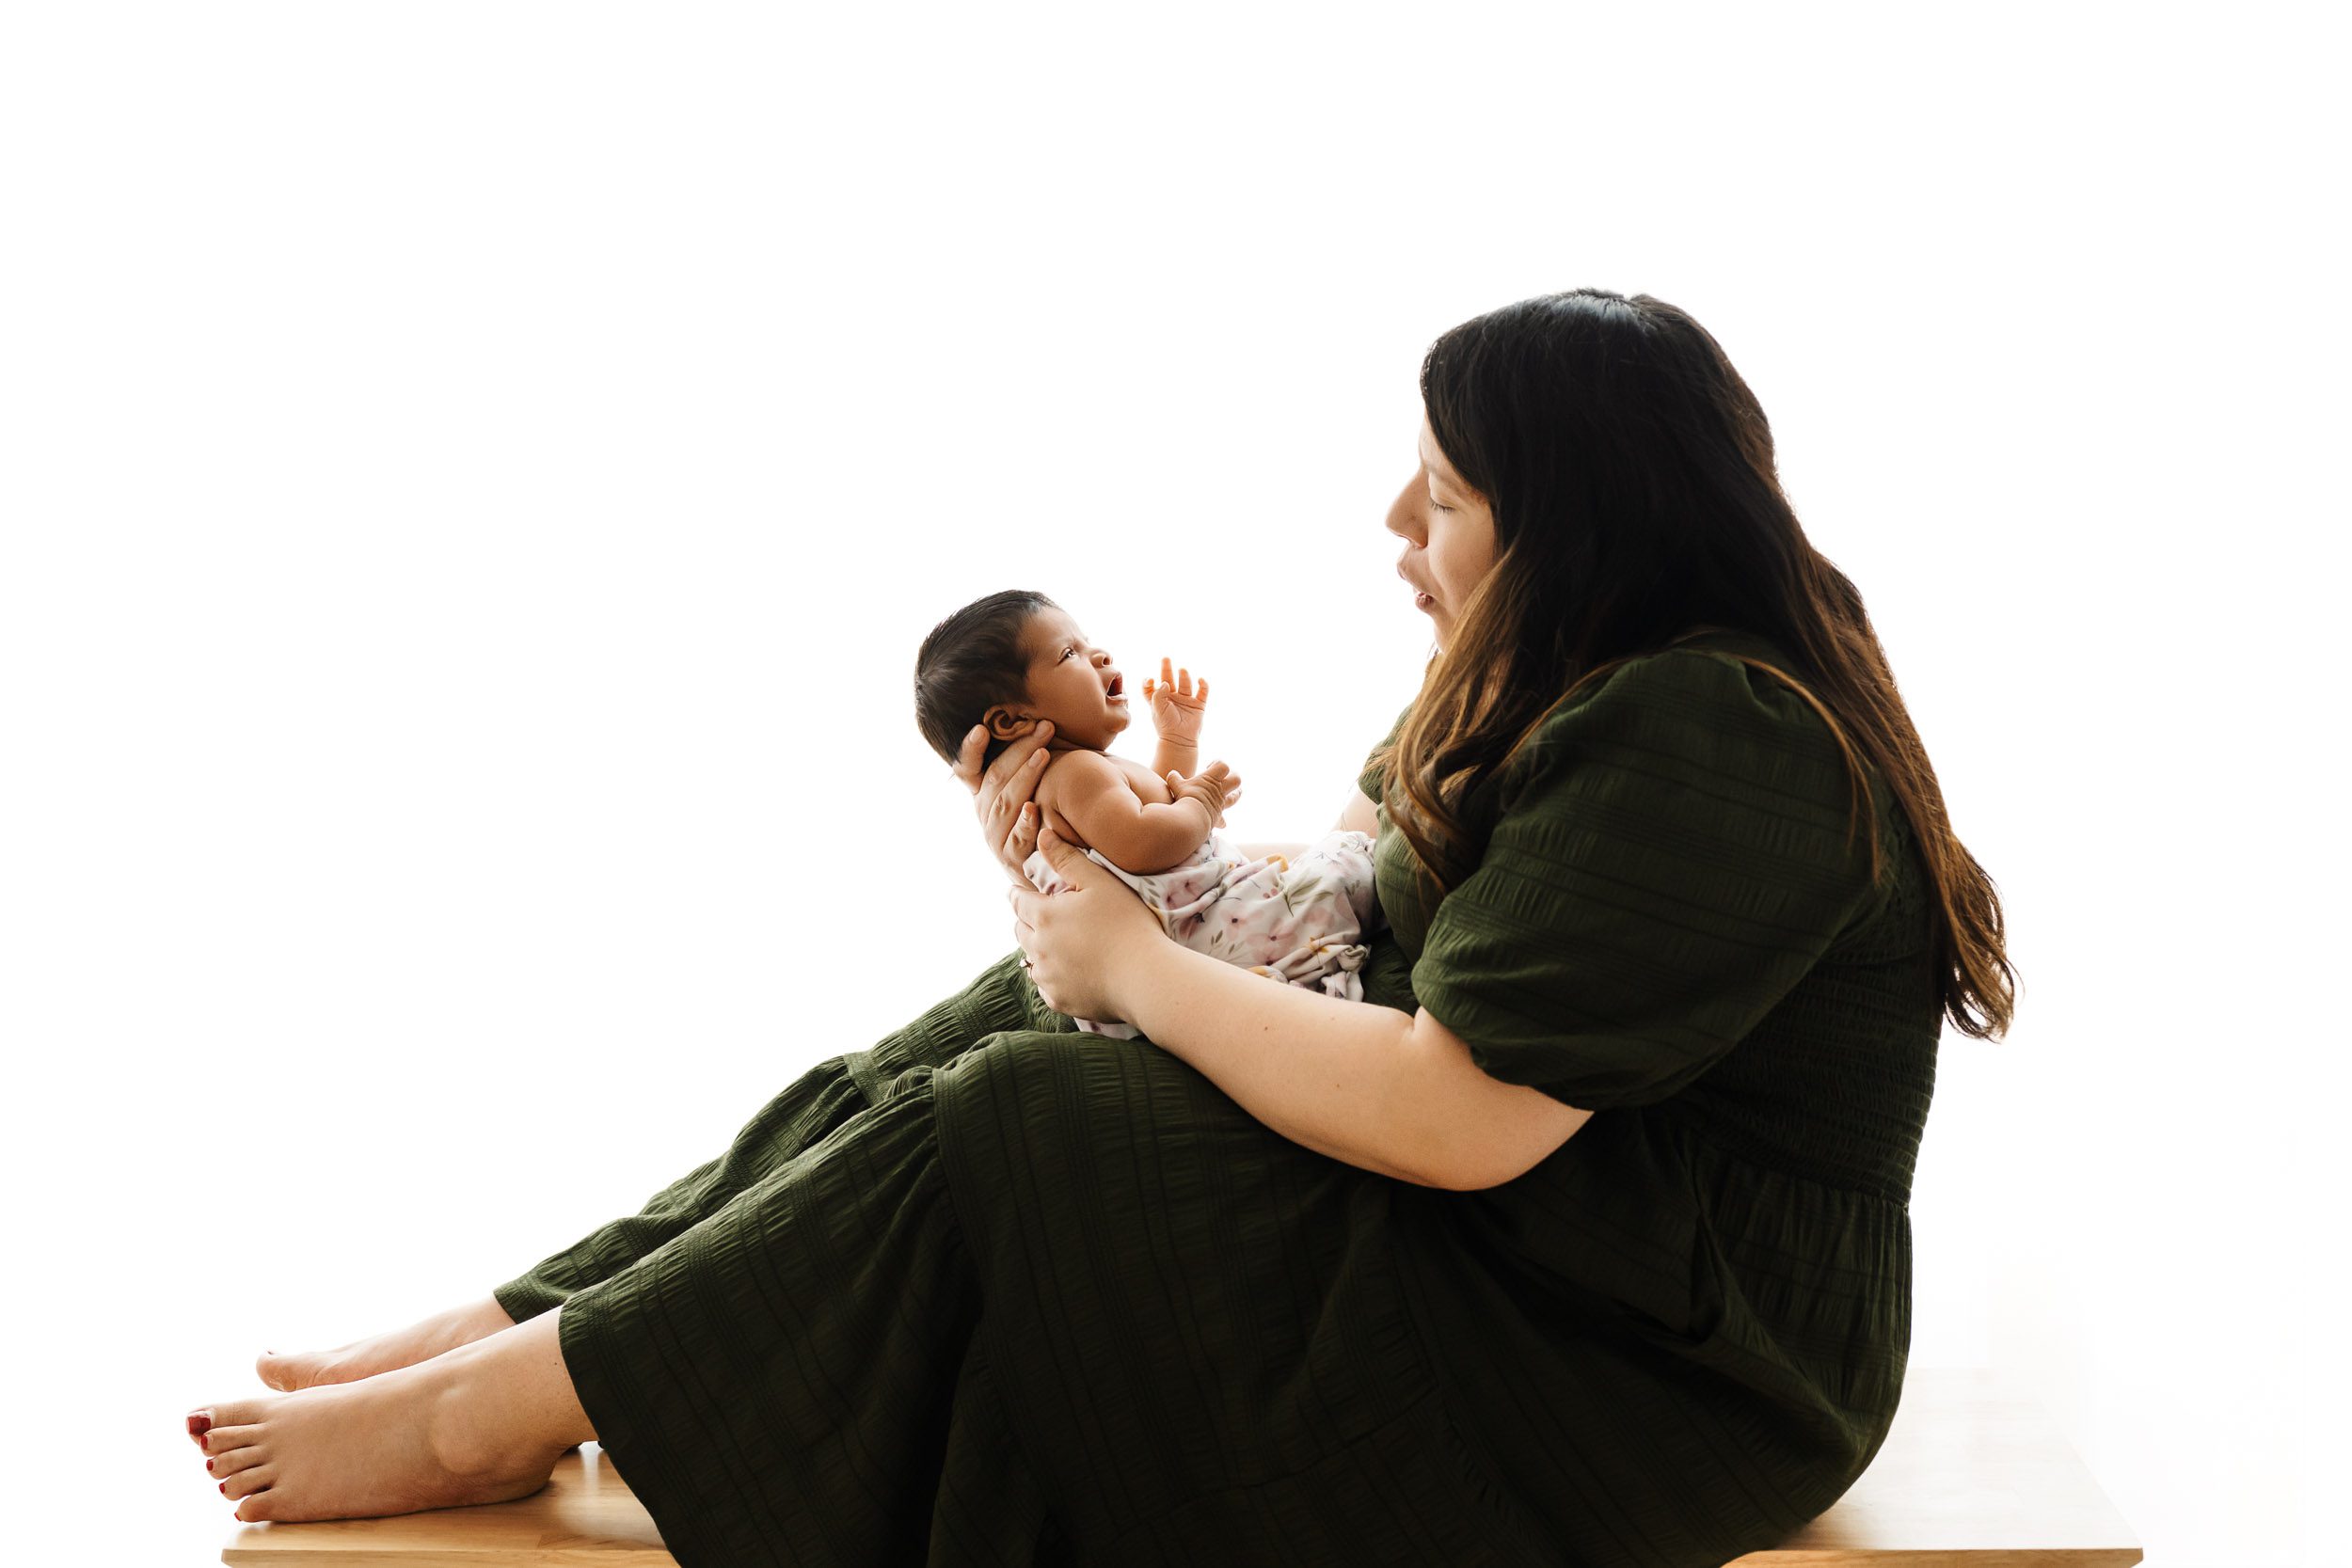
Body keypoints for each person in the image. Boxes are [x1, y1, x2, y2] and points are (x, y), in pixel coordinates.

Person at [185, 287, 2014, 1568]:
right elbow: (1346, 898)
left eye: (1444, 491)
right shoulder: (1542, 685)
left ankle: (480, 1410)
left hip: (1660, 1364)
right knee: (1026, 1000)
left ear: (1582, 522)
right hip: (1562, 1263)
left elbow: (1466, 1109)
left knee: (1027, 1100)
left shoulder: (1710, 725)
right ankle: (529, 1317)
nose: (1393, 516)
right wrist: (1114, 898)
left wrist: (1136, 965)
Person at [912, 589, 1380, 1037]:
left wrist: (1177, 744)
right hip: (1195, 939)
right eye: (1069, 653)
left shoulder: (1074, 775)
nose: (1100, 655)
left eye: (1088, 641)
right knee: (1348, 860)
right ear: (1011, 721)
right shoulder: (1073, 772)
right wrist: (1202, 803)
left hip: (1161, 957)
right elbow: (1145, 843)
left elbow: (1149, 811)